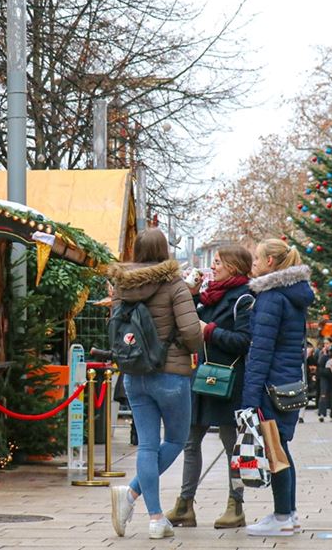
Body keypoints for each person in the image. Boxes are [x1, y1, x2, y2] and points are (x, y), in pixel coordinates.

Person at [107, 228, 203, 540]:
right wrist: (194, 349)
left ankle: (153, 516)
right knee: (175, 440)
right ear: (164, 250)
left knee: (147, 444)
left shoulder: (122, 284)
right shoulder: (173, 284)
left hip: (134, 374)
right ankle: (135, 498)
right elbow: (191, 330)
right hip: (170, 373)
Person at [167, 246, 254, 529]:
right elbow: (190, 325)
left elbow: (244, 341)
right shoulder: (208, 296)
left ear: (234, 266)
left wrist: (210, 331)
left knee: (232, 446)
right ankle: (184, 504)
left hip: (229, 381)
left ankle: (235, 505)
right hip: (204, 378)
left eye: (217, 262)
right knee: (190, 442)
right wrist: (190, 295)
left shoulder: (244, 298)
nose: (212, 267)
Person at [241, 238, 313, 537]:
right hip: (287, 382)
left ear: (270, 261)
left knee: (275, 450)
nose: (253, 263)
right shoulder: (293, 295)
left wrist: (249, 396)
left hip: (270, 384)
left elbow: (261, 350)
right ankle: (289, 513)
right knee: (281, 447)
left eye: (257, 258)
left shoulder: (271, 297)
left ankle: (282, 515)